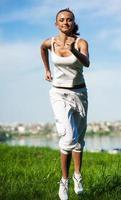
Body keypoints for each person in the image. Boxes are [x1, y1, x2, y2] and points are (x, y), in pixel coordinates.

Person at [40, 8, 90, 200]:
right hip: (58, 93)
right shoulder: (50, 42)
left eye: (69, 20)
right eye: (61, 20)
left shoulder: (81, 42)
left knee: (79, 138)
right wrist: (46, 69)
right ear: (56, 24)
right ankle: (64, 181)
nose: (65, 23)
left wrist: (74, 51)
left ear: (73, 22)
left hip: (79, 93)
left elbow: (86, 62)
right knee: (68, 137)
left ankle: (78, 175)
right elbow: (42, 48)